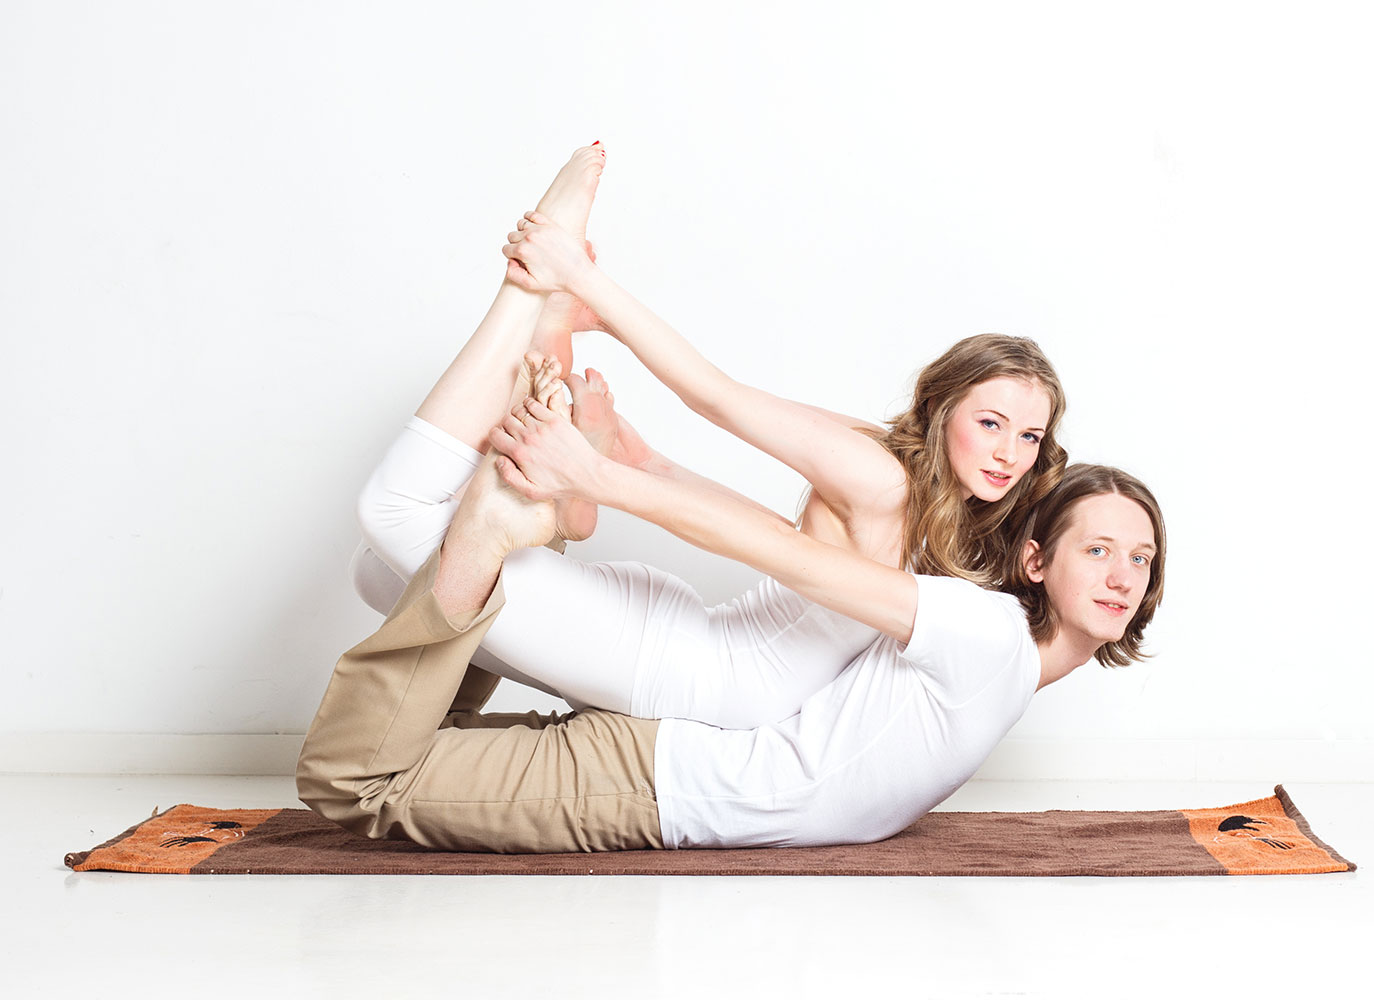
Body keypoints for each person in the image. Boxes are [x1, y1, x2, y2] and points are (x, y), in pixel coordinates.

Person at [349, 143, 1069, 728]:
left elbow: (782, 546)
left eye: (1030, 437)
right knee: (389, 545)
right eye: (991, 424)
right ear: (943, 412)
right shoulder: (883, 473)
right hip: (683, 658)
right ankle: (539, 299)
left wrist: (628, 465)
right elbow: (717, 399)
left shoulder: (908, 486)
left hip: (683, 655)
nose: (1010, 453)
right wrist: (583, 286)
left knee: (389, 551)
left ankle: (544, 337)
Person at [295, 389, 1166, 851]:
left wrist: (636, 462)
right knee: (357, 782)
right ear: (1036, 562)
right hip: (660, 786)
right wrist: (611, 477)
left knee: (389, 589)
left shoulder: (998, 658)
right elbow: (791, 556)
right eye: (1099, 550)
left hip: (676, 742)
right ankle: (495, 531)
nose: (1123, 575)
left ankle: (507, 540)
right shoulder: (984, 635)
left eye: (1140, 558)